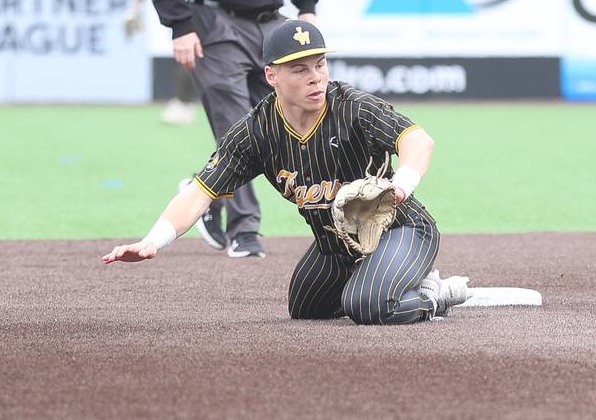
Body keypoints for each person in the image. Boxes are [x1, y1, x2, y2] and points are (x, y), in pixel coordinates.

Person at [102, 21, 470, 325]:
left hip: (401, 229)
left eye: (320, 64)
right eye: (299, 69)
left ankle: (431, 295)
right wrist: (153, 241)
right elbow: (201, 192)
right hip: (336, 243)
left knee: (368, 306)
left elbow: (418, 141)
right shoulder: (257, 130)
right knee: (306, 310)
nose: (315, 78)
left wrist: (402, 184)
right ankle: (384, 280)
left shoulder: (352, 107)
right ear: (270, 75)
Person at [146, 0, 319, 258]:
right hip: (213, 23)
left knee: (289, 125)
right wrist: (180, 25)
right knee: (236, 126)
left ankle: (207, 196)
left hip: (271, 24)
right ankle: (245, 229)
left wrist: (306, 4)